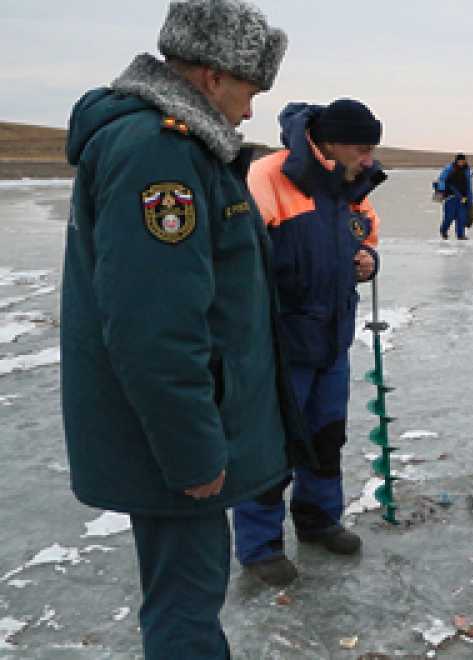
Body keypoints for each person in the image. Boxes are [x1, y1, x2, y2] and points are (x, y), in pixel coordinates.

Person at [60, 1, 311, 657]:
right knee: (186, 607)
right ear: (210, 77)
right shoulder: (159, 156)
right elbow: (155, 328)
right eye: (250, 91)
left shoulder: (180, 147)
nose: (252, 111)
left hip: (177, 429)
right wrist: (193, 452)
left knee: (184, 596)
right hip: (174, 444)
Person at [232, 99, 386, 586]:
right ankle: (259, 546)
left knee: (326, 436)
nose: (369, 159)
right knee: (270, 446)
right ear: (332, 142)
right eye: (362, 149)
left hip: (332, 339)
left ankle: (318, 520)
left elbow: (365, 238)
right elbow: (236, 262)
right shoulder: (267, 177)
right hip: (278, 346)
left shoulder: (351, 184)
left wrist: (367, 262)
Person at [435, 153, 473, 240]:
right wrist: (441, 191)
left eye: (463, 161)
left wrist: (470, 199)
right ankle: (443, 231)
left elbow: (469, 186)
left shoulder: (467, 170)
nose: (461, 163)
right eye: (460, 161)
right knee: (449, 217)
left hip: (463, 198)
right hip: (451, 197)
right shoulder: (449, 169)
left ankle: (461, 235)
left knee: (461, 217)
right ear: (456, 161)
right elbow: (441, 180)